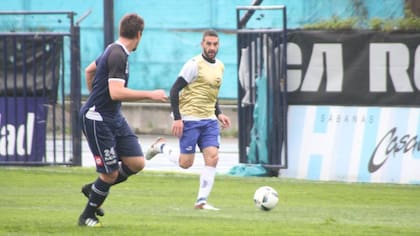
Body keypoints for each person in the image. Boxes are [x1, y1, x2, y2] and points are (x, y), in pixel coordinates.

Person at [78, 13, 167, 227]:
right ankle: (86, 216)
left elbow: (89, 70)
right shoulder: (118, 54)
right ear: (139, 34)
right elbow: (116, 92)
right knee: (110, 174)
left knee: (136, 163)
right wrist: (151, 94)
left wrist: (96, 93)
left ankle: (93, 189)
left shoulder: (113, 49)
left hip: (113, 116)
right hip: (97, 118)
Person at [145, 30, 231, 211]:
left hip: (208, 121)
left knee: (213, 157)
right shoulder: (193, 65)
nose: (212, 48)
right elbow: (174, 90)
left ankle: (201, 201)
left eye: (215, 44)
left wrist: (219, 113)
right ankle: (160, 147)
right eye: (208, 44)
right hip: (189, 119)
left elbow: (211, 94)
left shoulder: (220, 66)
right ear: (202, 44)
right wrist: (178, 119)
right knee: (186, 163)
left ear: (218, 45)